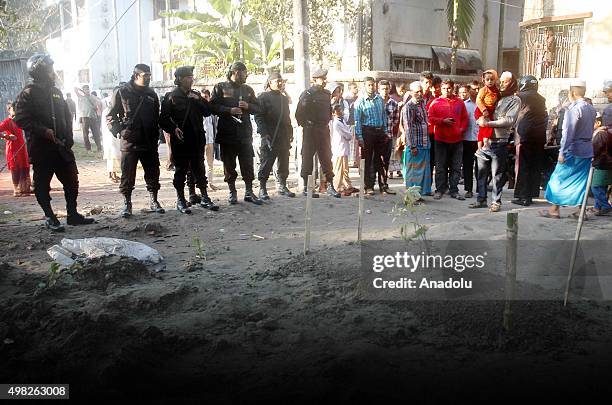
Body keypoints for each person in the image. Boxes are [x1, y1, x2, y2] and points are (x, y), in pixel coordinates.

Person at [14, 53, 95, 231]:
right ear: (40, 70)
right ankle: (50, 217)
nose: (52, 72)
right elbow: (20, 119)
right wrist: (43, 131)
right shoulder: (28, 93)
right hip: (42, 149)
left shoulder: (56, 92)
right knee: (42, 185)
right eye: (49, 68)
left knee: (72, 181)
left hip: (62, 147)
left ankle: (72, 214)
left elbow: (66, 115)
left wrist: (69, 138)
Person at [107, 63, 165, 218]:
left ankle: (154, 201)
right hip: (130, 141)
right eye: (145, 76)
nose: (148, 79)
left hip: (149, 141)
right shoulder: (122, 92)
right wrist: (119, 131)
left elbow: (156, 117)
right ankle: (127, 204)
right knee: (127, 174)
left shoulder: (151, 94)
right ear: (136, 75)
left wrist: (158, 135)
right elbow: (111, 116)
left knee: (153, 172)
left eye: (149, 76)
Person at [160, 66, 219, 214]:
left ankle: (205, 197)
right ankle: (181, 200)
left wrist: (199, 99)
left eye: (192, 77)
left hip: (197, 138)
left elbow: (208, 112)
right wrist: (173, 129)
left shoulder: (195, 95)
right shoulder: (170, 97)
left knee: (199, 168)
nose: (191, 80)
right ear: (179, 79)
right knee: (181, 170)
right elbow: (163, 119)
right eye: (187, 77)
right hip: (180, 140)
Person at [539, 80, 597, 219]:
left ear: (572, 92)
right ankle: (580, 211)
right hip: (587, 149)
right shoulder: (591, 108)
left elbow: (568, 133)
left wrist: (562, 151)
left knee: (558, 179)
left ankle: (554, 209)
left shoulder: (574, 109)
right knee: (581, 181)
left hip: (573, 150)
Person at [210, 61, 263, 205]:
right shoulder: (220, 87)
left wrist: (248, 106)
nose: (246, 76)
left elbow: (258, 108)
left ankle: (249, 192)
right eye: (244, 73)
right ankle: (232, 192)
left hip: (244, 134)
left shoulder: (248, 90)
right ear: (236, 73)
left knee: (247, 164)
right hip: (227, 134)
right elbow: (212, 107)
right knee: (229, 165)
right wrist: (229, 110)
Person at [469, 72, 521, 212]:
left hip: (499, 141)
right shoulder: (495, 95)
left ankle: (496, 202)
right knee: (481, 173)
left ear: (512, 83)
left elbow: (509, 120)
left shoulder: (514, 100)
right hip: (485, 141)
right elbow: (480, 108)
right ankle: (481, 199)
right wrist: (481, 119)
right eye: (501, 81)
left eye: (505, 82)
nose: (501, 84)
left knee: (497, 175)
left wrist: (489, 124)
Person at [295, 68, 341, 198]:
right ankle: (306, 187)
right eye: (322, 79)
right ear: (315, 80)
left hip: (323, 130)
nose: (325, 81)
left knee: (326, 157)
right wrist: (307, 125)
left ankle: (330, 185)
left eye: (325, 78)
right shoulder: (308, 94)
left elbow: (328, 111)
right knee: (307, 157)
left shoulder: (327, 94)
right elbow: (299, 114)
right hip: (311, 130)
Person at [255, 72, 296, 200]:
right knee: (266, 162)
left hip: (283, 135)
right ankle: (262, 187)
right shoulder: (263, 97)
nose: (279, 83)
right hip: (270, 135)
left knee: (284, 161)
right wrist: (264, 134)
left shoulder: (284, 98)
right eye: (277, 81)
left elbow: (287, 117)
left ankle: (282, 185)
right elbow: (259, 116)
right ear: (270, 83)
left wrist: (290, 133)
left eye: (281, 81)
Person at [428, 79, 468, 200]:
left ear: (453, 88)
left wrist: (461, 130)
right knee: (440, 166)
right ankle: (439, 189)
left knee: (456, 167)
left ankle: (454, 190)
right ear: (441, 89)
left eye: (449, 88)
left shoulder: (460, 103)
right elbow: (430, 118)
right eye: (444, 88)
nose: (446, 91)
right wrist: (442, 121)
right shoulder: (435, 102)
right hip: (441, 139)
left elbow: (465, 118)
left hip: (457, 140)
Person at [512, 75, 547, 206]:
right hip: (539, 137)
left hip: (524, 136)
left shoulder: (520, 97)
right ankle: (531, 194)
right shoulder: (541, 99)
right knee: (534, 166)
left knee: (523, 166)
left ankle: (523, 196)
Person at [353, 76, 389, 195]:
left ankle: (383, 185)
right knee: (367, 160)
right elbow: (357, 121)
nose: (371, 87)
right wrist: (359, 137)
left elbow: (384, 116)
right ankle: (368, 186)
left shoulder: (379, 99)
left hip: (379, 132)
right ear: (364, 86)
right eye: (369, 85)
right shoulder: (360, 101)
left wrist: (385, 131)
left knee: (381, 159)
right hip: (367, 132)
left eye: (373, 84)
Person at [401, 81, 431, 197]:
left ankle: (419, 195)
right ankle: (411, 197)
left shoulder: (422, 103)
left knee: (423, 171)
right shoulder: (408, 107)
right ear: (411, 92)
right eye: (417, 92)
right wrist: (412, 145)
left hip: (424, 142)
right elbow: (408, 127)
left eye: (421, 91)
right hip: (415, 144)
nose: (419, 93)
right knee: (413, 172)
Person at [0, 101, 32, 196]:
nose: (16, 111)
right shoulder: (6, 122)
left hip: (22, 147)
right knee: (15, 167)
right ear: (9, 110)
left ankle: (25, 188)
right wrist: (7, 137)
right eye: (13, 109)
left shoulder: (20, 121)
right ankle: (17, 189)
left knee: (24, 166)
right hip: (12, 148)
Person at [331, 103, 357, 196]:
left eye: (340, 110)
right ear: (333, 113)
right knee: (339, 169)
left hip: (344, 147)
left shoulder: (342, 121)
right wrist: (349, 135)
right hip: (339, 148)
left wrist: (349, 135)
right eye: (337, 111)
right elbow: (347, 134)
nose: (340, 112)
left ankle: (347, 186)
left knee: (345, 169)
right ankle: (337, 187)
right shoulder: (336, 123)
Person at [377, 79, 398, 194]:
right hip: (376, 137)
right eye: (382, 89)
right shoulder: (375, 102)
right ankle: (372, 185)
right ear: (378, 90)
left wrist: (387, 131)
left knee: (386, 162)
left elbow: (395, 120)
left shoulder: (393, 103)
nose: (385, 91)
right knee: (376, 161)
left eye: (386, 89)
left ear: (389, 89)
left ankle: (384, 184)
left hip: (388, 137)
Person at [459, 82, 479, 198]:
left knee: (480, 166)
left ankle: (481, 189)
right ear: (468, 90)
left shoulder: (483, 105)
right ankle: (468, 189)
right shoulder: (464, 105)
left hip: (480, 139)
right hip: (466, 138)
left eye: (477, 89)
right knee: (467, 165)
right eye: (473, 89)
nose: (475, 91)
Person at [474, 69, 500, 159]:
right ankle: (485, 146)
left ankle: (479, 149)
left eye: (492, 79)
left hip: (490, 111)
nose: (490, 81)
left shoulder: (496, 90)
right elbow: (478, 100)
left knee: (482, 130)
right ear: (484, 80)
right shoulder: (483, 90)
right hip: (483, 111)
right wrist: (484, 110)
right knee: (487, 127)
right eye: (487, 79)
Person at [590, 112, 612, 216]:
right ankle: (597, 207)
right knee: (601, 186)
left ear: (598, 123)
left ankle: (605, 206)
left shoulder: (600, 134)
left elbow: (596, 149)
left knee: (596, 186)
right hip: (606, 163)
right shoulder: (606, 132)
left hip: (602, 163)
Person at [101, 86, 121, 183]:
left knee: (114, 155)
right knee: (111, 154)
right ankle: (111, 175)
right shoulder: (108, 109)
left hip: (111, 135)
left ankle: (114, 174)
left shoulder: (109, 108)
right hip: (109, 135)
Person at [74, 84, 102, 152]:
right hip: (85, 116)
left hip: (93, 116)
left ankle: (99, 148)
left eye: (88, 89)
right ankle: (88, 149)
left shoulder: (92, 97)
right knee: (85, 134)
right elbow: (75, 88)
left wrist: (96, 108)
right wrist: (82, 91)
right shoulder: (81, 97)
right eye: (85, 89)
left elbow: (98, 103)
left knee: (96, 133)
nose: (87, 91)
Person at [202, 89, 218, 191]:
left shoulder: (212, 112)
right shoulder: (197, 110)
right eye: (203, 97)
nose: (204, 99)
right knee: (199, 163)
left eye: (206, 97)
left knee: (210, 163)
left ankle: (210, 183)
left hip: (210, 140)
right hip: (200, 141)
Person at [345, 82, 360, 168]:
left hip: (357, 123)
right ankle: (351, 160)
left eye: (356, 87)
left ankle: (355, 159)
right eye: (354, 87)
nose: (356, 89)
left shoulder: (358, 99)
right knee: (351, 142)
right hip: (350, 123)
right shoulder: (347, 100)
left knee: (356, 142)